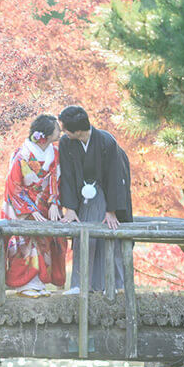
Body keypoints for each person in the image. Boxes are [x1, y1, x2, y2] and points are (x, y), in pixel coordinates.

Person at [56, 105, 133, 293]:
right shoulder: (67, 143)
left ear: (78, 130)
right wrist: (70, 208)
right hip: (82, 196)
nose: (62, 132)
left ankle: (114, 284)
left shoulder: (106, 141)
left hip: (107, 195)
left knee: (110, 236)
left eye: (65, 128)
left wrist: (111, 210)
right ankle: (80, 284)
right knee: (83, 237)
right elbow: (66, 175)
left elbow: (116, 176)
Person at [0, 114, 67, 297]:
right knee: (25, 242)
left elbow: (56, 179)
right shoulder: (22, 154)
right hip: (23, 205)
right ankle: (24, 285)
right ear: (45, 133)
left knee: (45, 243)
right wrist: (29, 208)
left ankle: (38, 283)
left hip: (46, 205)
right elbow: (13, 184)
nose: (59, 131)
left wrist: (54, 202)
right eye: (56, 129)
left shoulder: (55, 153)